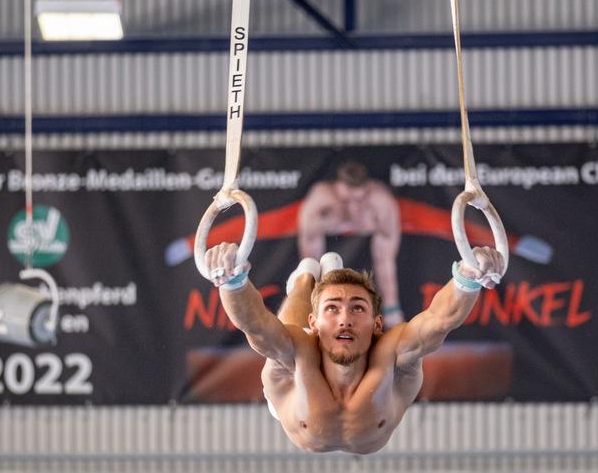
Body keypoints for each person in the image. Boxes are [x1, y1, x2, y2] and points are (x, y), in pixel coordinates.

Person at [201, 242, 504, 454]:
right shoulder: (301, 349)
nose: (345, 320)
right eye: (333, 309)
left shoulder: (393, 353)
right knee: (288, 336)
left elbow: (439, 320)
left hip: (312, 374)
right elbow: (255, 324)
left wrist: (468, 276)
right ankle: (304, 280)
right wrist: (231, 280)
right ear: (316, 322)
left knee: (295, 336)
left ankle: (314, 282)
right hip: (294, 388)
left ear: (376, 324)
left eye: (357, 309)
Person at [297, 160, 405, 327]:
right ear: (336, 188)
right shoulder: (321, 197)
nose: (353, 207)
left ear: (367, 190)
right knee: (310, 264)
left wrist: (373, 224)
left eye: (359, 200)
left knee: (385, 258)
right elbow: (307, 239)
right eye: (346, 201)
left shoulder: (381, 200)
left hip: (369, 224)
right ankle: (312, 309)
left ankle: (392, 310)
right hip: (330, 224)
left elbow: (388, 246)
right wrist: (326, 222)